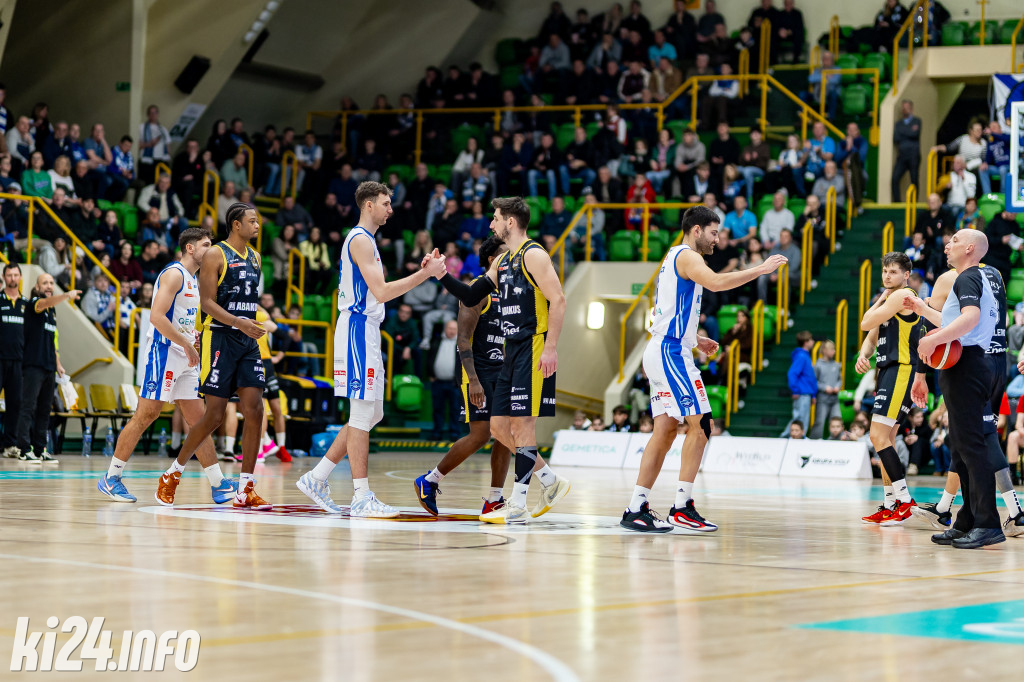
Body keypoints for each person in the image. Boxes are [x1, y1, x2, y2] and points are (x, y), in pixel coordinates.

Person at [620, 206, 787, 532]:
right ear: (696, 230)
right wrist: (761, 269)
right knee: (703, 424)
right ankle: (682, 507)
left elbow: (661, 312)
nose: (717, 239)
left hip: (663, 348)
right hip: (670, 353)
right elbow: (716, 283)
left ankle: (636, 507)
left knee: (665, 430)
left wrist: (695, 338)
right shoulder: (688, 257)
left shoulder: (673, 257)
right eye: (713, 232)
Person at [296, 182, 447, 517]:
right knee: (362, 413)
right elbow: (381, 292)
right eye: (386, 203)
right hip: (357, 328)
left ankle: (316, 478)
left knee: (372, 413)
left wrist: (423, 272)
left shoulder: (368, 240)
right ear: (368, 205)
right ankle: (361, 496)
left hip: (367, 330)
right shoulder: (361, 239)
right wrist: (425, 274)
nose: (390, 209)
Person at [436, 196, 571, 524]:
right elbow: (471, 295)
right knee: (498, 427)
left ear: (510, 222)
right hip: (512, 350)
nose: (492, 223)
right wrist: (440, 274)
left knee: (522, 425)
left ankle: (518, 503)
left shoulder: (534, 255)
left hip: (534, 346)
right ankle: (550, 481)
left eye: (496, 218)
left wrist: (551, 347)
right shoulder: (503, 261)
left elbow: (559, 299)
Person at [96, 227, 237, 503]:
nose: (211, 250)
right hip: (164, 352)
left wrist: (193, 338)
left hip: (186, 355)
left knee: (199, 421)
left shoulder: (194, 280)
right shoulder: (174, 274)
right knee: (146, 415)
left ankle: (218, 483)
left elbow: (181, 319)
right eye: (206, 245)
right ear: (190, 248)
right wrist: (185, 343)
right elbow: (157, 317)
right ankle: (111, 478)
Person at [907, 262, 1024, 539]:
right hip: (995, 361)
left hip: (973, 363)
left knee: (975, 440)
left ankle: (991, 518)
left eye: (955, 242)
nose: (948, 245)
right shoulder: (993, 274)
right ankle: (959, 513)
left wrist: (923, 364)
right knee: (966, 439)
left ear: (968, 248)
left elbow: (951, 324)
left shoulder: (957, 277)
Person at [173, 203, 271, 510]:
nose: (257, 225)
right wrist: (238, 322)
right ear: (236, 225)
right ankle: (173, 473)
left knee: (255, 409)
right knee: (214, 415)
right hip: (219, 338)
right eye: (252, 221)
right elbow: (206, 303)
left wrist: (249, 323)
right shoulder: (216, 254)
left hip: (247, 340)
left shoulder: (256, 257)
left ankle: (246, 488)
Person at [855, 252, 923, 525]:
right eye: (884, 271)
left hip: (901, 370)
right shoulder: (890, 300)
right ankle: (890, 504)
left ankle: (904, 501)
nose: (887, 276)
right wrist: (864, 355)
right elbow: (871, 336)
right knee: (887, 440)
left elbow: (864, 322)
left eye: (893, 272)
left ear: (906, 275)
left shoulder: (901, 295)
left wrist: (881, 299)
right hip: (888, 371)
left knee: (878, 436)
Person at [14, 273, 79, 462]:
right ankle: (23, 448)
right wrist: (66, 295)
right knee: (28, 407)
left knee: (44, 410)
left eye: (51, 283)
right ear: (37, 287)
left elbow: (52, 341)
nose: (49, 286)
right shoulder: (35, 303)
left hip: (49, 366)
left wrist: (58, 364)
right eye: (45, 283)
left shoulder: (52, 312)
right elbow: (45, 302)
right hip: (33, 365)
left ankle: (39, 449)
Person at [0, 264, 25, 458]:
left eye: (16, 275)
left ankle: (9, 445)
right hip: (0, 359)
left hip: (19, 361)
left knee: (15, 403)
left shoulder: (27, 304)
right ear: (4, 277)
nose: (13, 278)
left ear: (20, 277)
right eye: (9, 275)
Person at [783, 331, 817, 436]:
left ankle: (796, 439)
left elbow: (809, 377)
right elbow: (792, 373)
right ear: (806, 342)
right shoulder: (801, 356)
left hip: (805, 393)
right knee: (799, 420)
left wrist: (813, 394)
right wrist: (796, 390)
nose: (813, 341)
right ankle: (784, 438)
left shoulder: (805, 356)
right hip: (802, 393)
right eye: (811, 339)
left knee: (801, 420)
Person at [811, 339, 843, 439]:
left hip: (834, 399)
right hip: (822, 399)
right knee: (819, 422)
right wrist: (825, 388)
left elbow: (839, 380)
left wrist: (837, 386)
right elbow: (814, 382)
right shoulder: (818, 365)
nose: (834, 351)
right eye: (831, 349)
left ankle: (838, 441)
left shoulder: (836, 365)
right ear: (824, 350)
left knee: (837, 421)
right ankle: (814, 441)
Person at [892, 100, 921, 201]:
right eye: (903, 107)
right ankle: (897, 203)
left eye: (907, 107)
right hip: (902, 156)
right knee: (894, 178)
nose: (905, 109)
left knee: (914, 179)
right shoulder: (898, 123)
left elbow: (915, 134)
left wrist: (902, 132)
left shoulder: (917, 121)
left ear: (911, 109)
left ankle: (914, 202)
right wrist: (909, 131)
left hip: (914, 156)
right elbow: (896, 138)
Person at [137, 105, 171, 181]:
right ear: (148, 115)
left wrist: (168, 158)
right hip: (147, 160)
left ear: (158, 114)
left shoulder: (163, 129)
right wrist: (149, 144)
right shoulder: (142, 127)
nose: (153, 115)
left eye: (155, 113)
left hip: (161, 160)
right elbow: (137, 145)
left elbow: (167, 145)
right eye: (151, 113)